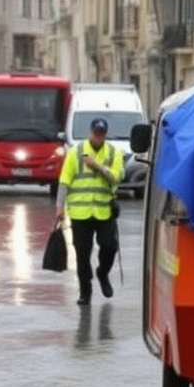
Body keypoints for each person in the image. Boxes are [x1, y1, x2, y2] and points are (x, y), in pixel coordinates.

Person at [55, 117, 125, 306]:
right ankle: (85, 291)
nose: (98, 137)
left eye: (101, 134)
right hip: (80, 213)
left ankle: (102, 273)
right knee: (82, 255)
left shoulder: (113, 152)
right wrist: (59, 207)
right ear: (90, 132)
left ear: (105, 134)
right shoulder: (76, 152)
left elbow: (117, 178)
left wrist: (98, 167)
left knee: (110, 246)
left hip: (104, 211)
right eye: (95, 133)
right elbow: (64, 180)